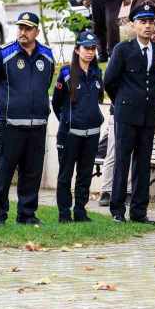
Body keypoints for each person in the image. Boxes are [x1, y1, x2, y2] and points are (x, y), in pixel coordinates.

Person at [0, 12, 55, 226]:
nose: (23, 32)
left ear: (37, 31)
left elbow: (46, 83)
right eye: (20, 27)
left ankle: (27, 214)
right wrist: (6, 107)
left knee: (32, 172)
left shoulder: (47, 55)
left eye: (28, 28)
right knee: (4, 172)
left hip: (37, 125)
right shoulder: (4, 54)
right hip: (10, 124)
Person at [104, 3, 155, 224]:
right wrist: (123, 102)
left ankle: (139, 211)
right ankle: (118, 210)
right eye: (143, 22)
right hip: (126, 114)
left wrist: (147, 103)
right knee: (122, 161)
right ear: (133, 24)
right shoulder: (123, 50)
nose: (148, 26)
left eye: (151, 22)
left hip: (148, 115)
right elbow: (109, 81)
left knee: (143, 162)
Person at [51, 31, 105, 223]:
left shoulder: (97, 72)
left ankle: (80, 211)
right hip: (70, 134)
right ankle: (64, 213)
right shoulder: (66, 73)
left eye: (93, 48)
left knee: (84, 175)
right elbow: (56, 104)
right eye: (86, 48)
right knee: (65, 175)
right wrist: (67, 121)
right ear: (77, 49)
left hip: (91, 134)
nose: (90, 52)